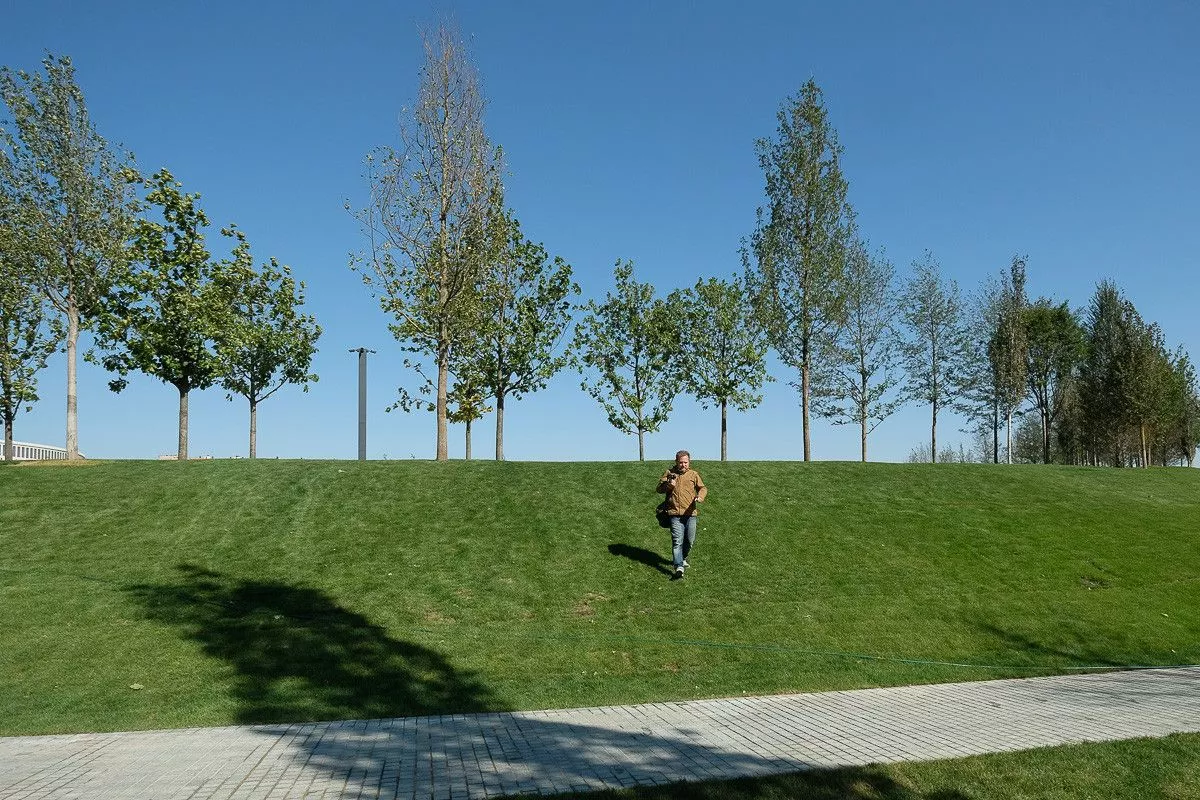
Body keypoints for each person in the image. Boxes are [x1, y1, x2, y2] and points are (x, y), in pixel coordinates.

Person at [656, 450, 707, 579]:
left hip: (690, 514)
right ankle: (678, 567)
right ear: (676, 462)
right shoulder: (669, 473)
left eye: (685, 462)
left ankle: (683, 558)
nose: (683, 465)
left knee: (689, 541)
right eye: (680, 462)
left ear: (689, 462)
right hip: (674, 514)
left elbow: (702, 488)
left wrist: (700, 497)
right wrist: (669, 485)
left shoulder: (693, 474)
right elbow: (659, 489)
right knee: (677, 541)